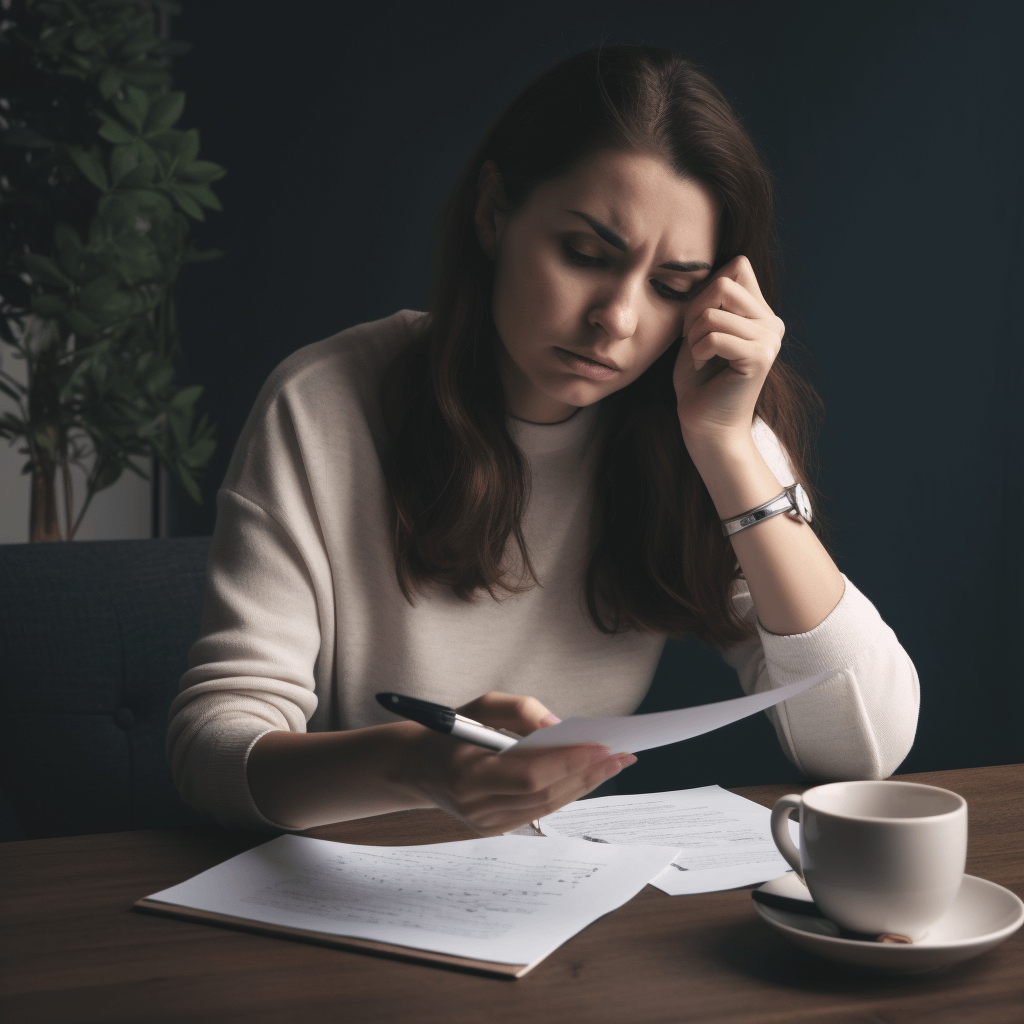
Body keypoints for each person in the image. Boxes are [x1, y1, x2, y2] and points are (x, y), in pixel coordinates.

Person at [167, 46, 919, 837]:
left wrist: (731, 449)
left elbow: (864, 744)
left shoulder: (701, 429)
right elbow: (212, 752)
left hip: (553, 903)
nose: (619, 320)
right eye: (587, 255)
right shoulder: (324, 405)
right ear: (494, 213)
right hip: (344, 890)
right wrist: (414, 765)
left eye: (671, 287)